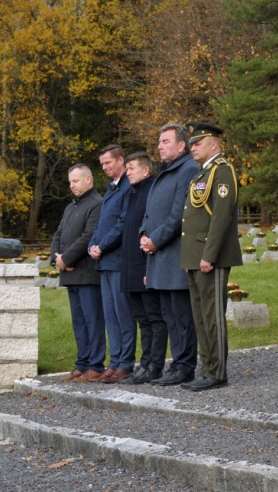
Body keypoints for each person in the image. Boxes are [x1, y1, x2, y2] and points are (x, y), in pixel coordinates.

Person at [180, 122, 242, 392]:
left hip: (209, 256)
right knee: (201, 316)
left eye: (198, 143)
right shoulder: (202, 173)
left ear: (214, 144)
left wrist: (209, 255)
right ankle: (206, 368)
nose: (192, 147)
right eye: (191, 144)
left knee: (213, 315)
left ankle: (216, 372)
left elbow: (221, 217)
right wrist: (191, 258)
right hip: (195, 256)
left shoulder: (223, 171)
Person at [140, 124, 200, 386]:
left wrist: (155, 239)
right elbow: (151, 211)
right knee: (169, 315)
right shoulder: (166, 172)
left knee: (182, 315)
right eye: (159, 141)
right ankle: (176, 363)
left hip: (175, 255)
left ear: (181, 145)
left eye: (165, 141)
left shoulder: (188, 170)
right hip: (159, 256)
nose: (160, 146)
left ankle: (185, 366)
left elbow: (179, 216)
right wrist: (144, 233)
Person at [52, 164, 106, 382]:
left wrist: (66, 259)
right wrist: (56, 258)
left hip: (87, 273)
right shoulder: (70, 207)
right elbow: (58, 234)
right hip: (71, 272)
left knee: (93, 321)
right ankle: (81, 364)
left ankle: (95, 365)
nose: (71, 185)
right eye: (70, 181)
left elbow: (88, 237)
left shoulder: (97, 204)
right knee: (79, 322)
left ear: (88, 180)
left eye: (75, 181)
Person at [119, 152, 167, 385]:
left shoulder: (151, 191)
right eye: (127, 168)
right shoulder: (131, 193)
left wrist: (148, 268)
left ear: (145, 170)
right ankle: (144, 362)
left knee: (154, 317)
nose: (127, 172)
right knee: (141, 318)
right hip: (129, 265)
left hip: (145, 264)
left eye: (132, 168)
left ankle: (154, 365)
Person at [88, 144, 134, 384]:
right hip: (104, 261)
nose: (104, 167)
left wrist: (102, 245)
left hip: (118, 260)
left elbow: (122, 224)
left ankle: (126, 363)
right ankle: (114, 361)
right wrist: (93, 245)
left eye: (108, 162)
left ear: (121, 160)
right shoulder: (110, 189)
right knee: (110, 315)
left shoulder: (128, 187)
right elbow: (101, 224)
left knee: (122, 313)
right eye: (102, 164)